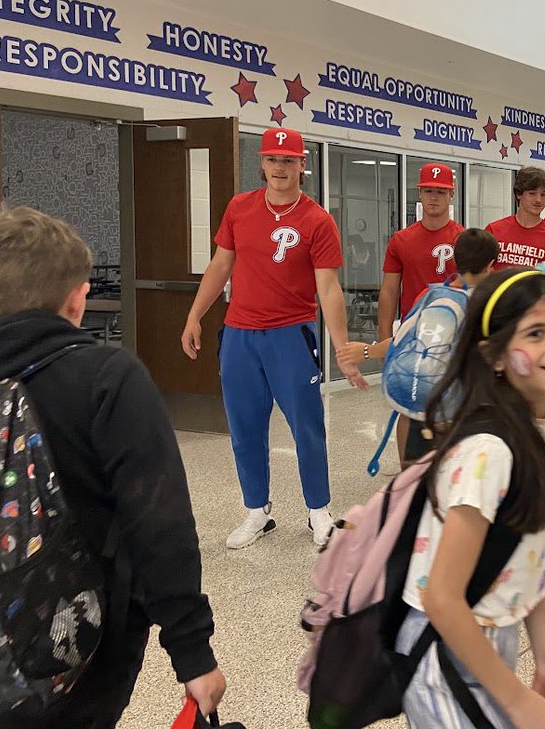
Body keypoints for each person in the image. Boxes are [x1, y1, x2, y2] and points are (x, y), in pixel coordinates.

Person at [0, 207, 225, 729]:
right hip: (75, 663)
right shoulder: (106, 377)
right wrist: (192, 653)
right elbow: (160, 524)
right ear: (79, 297)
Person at [397, 267, 545, 729]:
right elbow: (441, 598)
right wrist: (515, 700)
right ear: (494, 357)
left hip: (491, 634)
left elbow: (529, 557)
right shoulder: (489, 453)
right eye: (535, 334)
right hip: (444, 646)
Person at [180, 127, 363, 550]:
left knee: (307, 427)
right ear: (261, 163)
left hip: (290, 337)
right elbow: (220, 266)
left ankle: (319, 511)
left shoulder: (317, 219)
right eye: (272, 159)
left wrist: (341, 347)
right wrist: (194, 316)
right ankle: (256, 512)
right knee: (244, 427)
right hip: (241, 336)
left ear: (303, 165)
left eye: (288, 160)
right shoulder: (239, 208)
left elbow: (329, 288)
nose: (280, 168)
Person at [338, 228, 499, 462]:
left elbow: (402, 340)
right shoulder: (487, 304)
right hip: (462, 412)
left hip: (423, 402)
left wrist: (366, 351)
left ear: (455, 260)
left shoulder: (429, 295)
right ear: (489, 265)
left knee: (413, 479)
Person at [377, 162, 464, 463]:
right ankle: (407, 472)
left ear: (451, 195)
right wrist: (384, 338)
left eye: (440, 192)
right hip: (413, 336)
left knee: (449, 407)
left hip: (452, 336)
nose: (434, 198)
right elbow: (389, 290)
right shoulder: (401, 239)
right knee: (407, 405)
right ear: (420, 193)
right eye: (428, 191)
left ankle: (445, 469)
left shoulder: (464, 238)